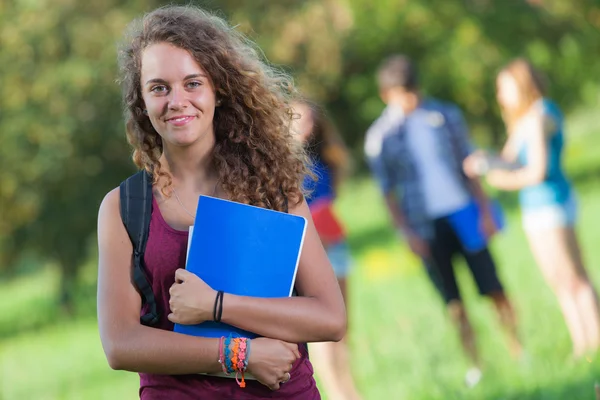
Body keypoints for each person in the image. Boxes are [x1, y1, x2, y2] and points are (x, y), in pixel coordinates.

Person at [96, 6, 346, 399]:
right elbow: (119, 343)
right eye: (159, 87)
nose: (177, 100)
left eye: (192, 83)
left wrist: (216, 305)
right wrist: (238, 353)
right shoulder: (123, 207)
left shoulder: (273, 186)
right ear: (141, 100)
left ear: (218, 89)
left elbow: (330, 318)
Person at [364, 54, 522, 387]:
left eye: (412, 91)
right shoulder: (380, 138)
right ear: (386, 95)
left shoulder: (445, 116)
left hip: (464, 213)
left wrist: (484, 211)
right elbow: (387, 192)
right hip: (425, 226)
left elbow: (470, 165)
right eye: (401, 93)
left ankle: (518, 349)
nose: (409, 99)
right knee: (453, 302)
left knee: (493, 287)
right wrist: (406, 233)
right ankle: (475, 362)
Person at [464, 58, 600, 358]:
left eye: (504, 88)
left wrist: (499, 177)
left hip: (553, 204)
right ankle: (582, 345)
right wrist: (484, 162)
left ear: (521, 85)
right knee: (557, 279)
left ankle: (596, 339)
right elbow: (509, 160)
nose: (500, 96)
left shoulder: (541, 115)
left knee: (574, 276)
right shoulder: (523, 121)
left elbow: (535, 171)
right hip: (534, 209)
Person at [291, 99, 362, 400]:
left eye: (310, 119)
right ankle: (338, 393)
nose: (305, 126)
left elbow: (329, 199)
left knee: (342, 327)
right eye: (298, 119)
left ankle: (349, 389)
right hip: (309, 256)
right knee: (322, 331)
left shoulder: (324, 159)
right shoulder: (281, 165)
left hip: (336, 246)